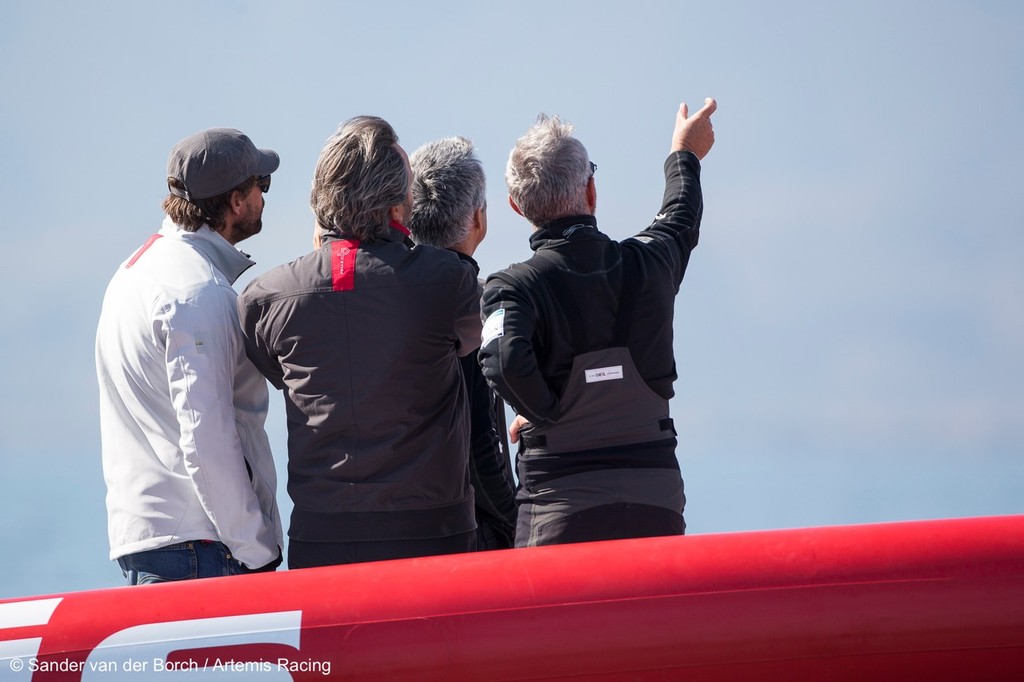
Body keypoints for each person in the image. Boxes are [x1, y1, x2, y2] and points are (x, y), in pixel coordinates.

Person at [237, 116, 483, 568]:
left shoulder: (264, 299)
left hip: (323, 540)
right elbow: (469, 342)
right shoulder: (450, 281)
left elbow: (278, 371)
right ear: (396, 203)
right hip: (433, 534)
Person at [479, 98, 718, 547]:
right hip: (655, 504)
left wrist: (543, 411)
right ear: (591, 192)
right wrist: (683, 155)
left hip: (557, 515)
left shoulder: (509, 289)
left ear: (516, 206)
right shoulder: (650, 262)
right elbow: (680, 217)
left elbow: (502, 360)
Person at [96, 128, 284, 584]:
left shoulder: (134, 272)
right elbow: (207, 438)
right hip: (201, 550)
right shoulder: (197, 291)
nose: (264, 195)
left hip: (158, 543)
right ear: (237, 200)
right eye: (263, 184)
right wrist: (257, 550)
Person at [408, 136, 518, 550]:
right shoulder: (472, 304)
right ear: (477, 219)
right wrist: (517, 521)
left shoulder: (388, 298)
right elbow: (480, 440)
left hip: (401, 531)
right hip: (471, 533)